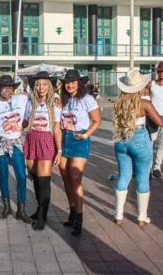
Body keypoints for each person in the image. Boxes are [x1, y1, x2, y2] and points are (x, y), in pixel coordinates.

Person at [113, 70, 163, 227]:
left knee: (124, 176)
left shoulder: (118, 103)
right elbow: (160, 122)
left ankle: (118, 214)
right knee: (142, 178)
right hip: (140, 137)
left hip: (121, 139)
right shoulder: (144, 104)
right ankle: (142, 217)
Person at [59, 69, 101, 236]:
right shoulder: (65, 100)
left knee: (76, 178)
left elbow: (97, 121)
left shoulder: (87, 99)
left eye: (73, 81)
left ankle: (79, 217)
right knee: (65, 176)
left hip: (79, 139)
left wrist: (85, 135)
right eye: (67, 82)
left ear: (79, 83)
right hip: (64, 138)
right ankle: (72, 210)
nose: (69, 84)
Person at [0, 75, 31, 223]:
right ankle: (6, 207)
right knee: (3, 175)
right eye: (4, 87)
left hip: (16, 142)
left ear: (13, 89)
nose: (7, 90)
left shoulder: (21, 99)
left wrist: (57, 99)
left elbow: (37, 98)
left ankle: (21, 209)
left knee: (21, 175)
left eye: (10, 87)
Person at [23, 72, 62, 231]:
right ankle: (40, 208)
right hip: (32, 139)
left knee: (44, 180)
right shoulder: (31, 102)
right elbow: (25, 122)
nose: (41, 87)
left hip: (46, 140)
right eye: (38, 84)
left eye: (45, 84)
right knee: (34, 177)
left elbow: (57, 128)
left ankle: (42, 217)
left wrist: (59, 150)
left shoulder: (55, 104)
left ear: (50, 86)